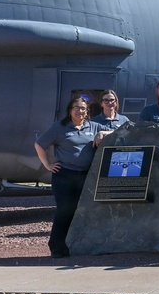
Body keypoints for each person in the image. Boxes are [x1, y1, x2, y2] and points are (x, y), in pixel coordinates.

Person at [34, 97, 108, 258]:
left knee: (82, 211)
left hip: (85, 176)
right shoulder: (59, 127)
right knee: (65, 210)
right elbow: (39, 144)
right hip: (65, 175)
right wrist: (47, 165)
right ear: (70, 110)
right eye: (76, 108)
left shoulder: (93, 126)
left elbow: (119, 130)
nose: (80, 111)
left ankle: (77, 244)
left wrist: (103, 132)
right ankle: (57, 246)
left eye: (83, 108)